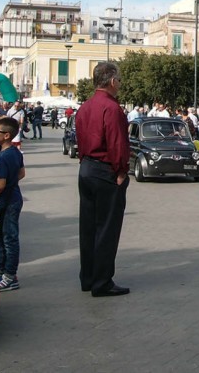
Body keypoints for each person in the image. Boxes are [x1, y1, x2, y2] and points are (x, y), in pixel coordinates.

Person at [75, 62, 131, 297]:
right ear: (112, 81)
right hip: (105, 170)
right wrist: (121, 171)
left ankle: (88, 277)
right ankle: (102, 282)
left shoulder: (85, 107)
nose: (119, 85)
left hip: (87, 168)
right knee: (107, 229)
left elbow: (79, 136)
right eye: (118, 80)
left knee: (87, 227)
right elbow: (118, 143)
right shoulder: (112, 108)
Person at [0, 116, 25, 292]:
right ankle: (0, 271)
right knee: (0, 237)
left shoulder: (3, 156)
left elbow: (0, 185)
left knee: (9, 239)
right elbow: (22, 173)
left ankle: (10, 276)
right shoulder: (15, 152)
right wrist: (10, 183)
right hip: (12, 198)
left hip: (8, 202)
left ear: (6, 135)